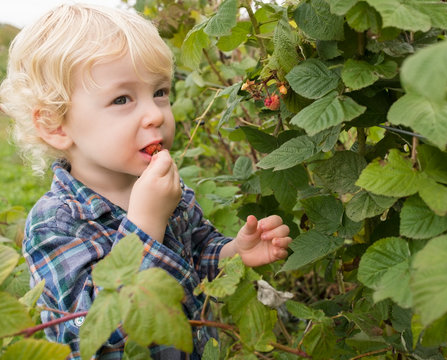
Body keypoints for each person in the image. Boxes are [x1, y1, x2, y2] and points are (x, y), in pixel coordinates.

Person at [0, 3, 292, 359]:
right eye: (122, 99)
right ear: (55, 125)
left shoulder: (169, 190)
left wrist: (233, 253)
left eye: (160, 92)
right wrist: (146, 224)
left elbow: (197, 255)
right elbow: (89, 336)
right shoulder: (58, 222)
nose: (155, 114)